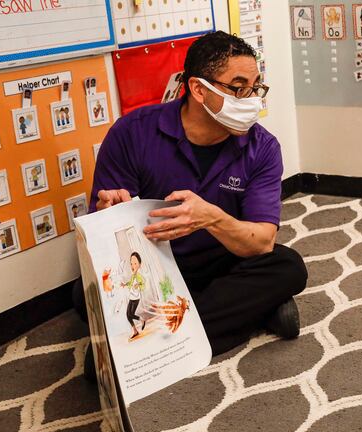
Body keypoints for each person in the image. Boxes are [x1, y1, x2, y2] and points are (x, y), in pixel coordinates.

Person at [72, 31, 307, 373]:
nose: (251, 99)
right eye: (238, 87)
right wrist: (111, 215)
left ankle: (142, 348)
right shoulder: (132, 133)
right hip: (153, 265)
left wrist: (210, 218)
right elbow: (105, 241)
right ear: (199, 89)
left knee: (289, 267)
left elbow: (261, 241)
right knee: (84, 295)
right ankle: (253, 314)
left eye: (255, 87)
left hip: (223, 261)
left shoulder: (263, 148)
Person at [121, 252, 146, 339]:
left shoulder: (139, 276)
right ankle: (135, 331)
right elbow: (130, 283)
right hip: (132, 297)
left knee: (130, 314)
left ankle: (142, 320)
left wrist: (138, 285)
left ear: (139, 264)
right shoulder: (133, 275)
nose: (133, 266)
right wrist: (125, 284)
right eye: (131, 263)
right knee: (128, 315)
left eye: (135, 263)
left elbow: (143, 285)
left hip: (136, 298)